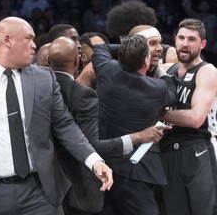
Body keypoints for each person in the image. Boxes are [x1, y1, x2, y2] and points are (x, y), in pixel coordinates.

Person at [0, 16, 113, 215]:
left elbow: (65, 126)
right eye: (29, 38)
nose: (34, 45)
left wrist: (94, 160)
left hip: (39, 192)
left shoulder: (45, 79)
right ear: (7, 41)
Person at [48, 36, 169, 215]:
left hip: (49, 180)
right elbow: (92, 145)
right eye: (152, 44)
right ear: (77, 59)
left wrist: (132, 48)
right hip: (96, 175)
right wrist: (139, 136)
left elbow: (101, 49)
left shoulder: (37, 89)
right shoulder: (85, 93)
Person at [91, 35, 177, 215]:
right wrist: (160, 69)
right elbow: (172, 91)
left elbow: (101, 48)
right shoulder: (156, 88)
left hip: (102, 163)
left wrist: (127, 48)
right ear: (146, 60)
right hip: (135, 169)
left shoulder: (107, 69)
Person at [159, 18, 217, 215]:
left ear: (202, 44)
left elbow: (195, 119)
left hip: (196, 149)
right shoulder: (166, 70)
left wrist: (160, 113)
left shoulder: (207, 71)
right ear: (175, 40)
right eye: (181, 38)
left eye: (192, 39)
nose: (185, 43)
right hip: (167, 149)